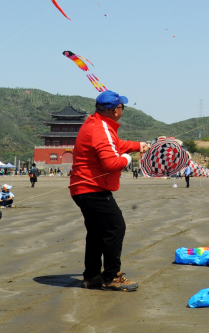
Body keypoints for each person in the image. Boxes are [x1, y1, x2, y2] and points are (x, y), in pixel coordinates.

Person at [70, 90, 149, 292]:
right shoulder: (101, 128)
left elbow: (115, 145)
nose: (122, 110)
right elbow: (111, 163)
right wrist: (129, 158)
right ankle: (112, 276)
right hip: (92, 189)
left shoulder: (95, 123)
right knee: (115, 227)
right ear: (115, 110)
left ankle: (92, 276)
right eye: (122, 107)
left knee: (97, 232)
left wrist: (138, 146)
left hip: (82, 189)